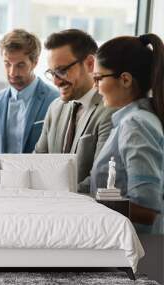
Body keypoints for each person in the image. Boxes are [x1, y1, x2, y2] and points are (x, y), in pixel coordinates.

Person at [90, 33, 164, 233]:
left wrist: (89, 204)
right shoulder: (130, 120)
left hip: (135, 250)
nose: (95, 87)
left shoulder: (136, 124)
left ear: (125, 79)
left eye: (98, 78)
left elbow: (148, 209)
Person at [34, 29, 115, 193]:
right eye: (52, 73)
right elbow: (36, 162)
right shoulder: (55, 108)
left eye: (62, 70)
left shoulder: (110, 111)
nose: (56, 81)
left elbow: (100, 179)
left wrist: (56, 195)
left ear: (90, 64)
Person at [0, 29, 58, 153]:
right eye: (7, 64)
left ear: (35, 62)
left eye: (20, 65)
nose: (12, 72)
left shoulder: (55, 100)